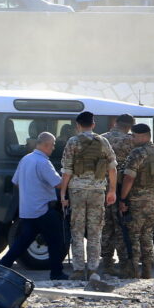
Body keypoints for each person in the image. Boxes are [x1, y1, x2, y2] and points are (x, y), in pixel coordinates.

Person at [0, 132, 68, 281]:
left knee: (22, 242)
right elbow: (59, 183)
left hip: (28, 210)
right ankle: (56, 273)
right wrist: (68, 175)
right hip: (43, 210)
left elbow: (16, 182)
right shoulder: (43, 162)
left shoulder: (26, 159)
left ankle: (1, 266)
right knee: (56, 241)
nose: (54, 147)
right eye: (53, 144)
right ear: (47, 145)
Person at [59, 111, 116, 280]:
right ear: (93, 124)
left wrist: (63, 193)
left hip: (77, 191)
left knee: (77, 230)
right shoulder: (103, 142)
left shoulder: (73, 142)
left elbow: (67, 170)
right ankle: (92, 270)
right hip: (98, 192)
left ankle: (78, 270)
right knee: (95, 231)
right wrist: (112, 190)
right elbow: (112, 168)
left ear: (78, 125)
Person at [118, 124, 154, 279]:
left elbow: (128, 178)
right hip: (153, 201)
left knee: (133, 235)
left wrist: (122, 199)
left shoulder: (138, 153)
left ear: (143, 136)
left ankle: (133, 271)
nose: (132, 139)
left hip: (136, 201)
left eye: (133, 136)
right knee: (147, 235)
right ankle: (147, 270)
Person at [99, 114, 136, 276]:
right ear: (129, 127)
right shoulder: (131, 141)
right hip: (122, 189)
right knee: (122, 226)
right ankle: (124, 265)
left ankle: (106, 263)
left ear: (115, 123)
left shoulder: (101, 139)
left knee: (106, 226)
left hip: (102, 189)